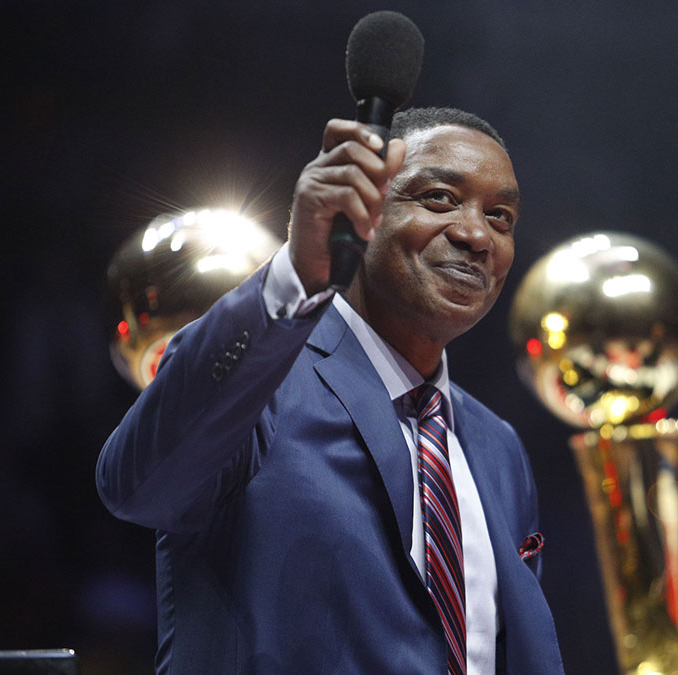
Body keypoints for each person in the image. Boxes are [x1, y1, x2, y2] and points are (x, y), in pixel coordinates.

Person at [96, 107, 565, 675]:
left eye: (500, 217)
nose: (474, 234)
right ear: (360, 213)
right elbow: (139, 486)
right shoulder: (261, 380)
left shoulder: (498, 445)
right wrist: (294, 272)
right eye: (440, 198)